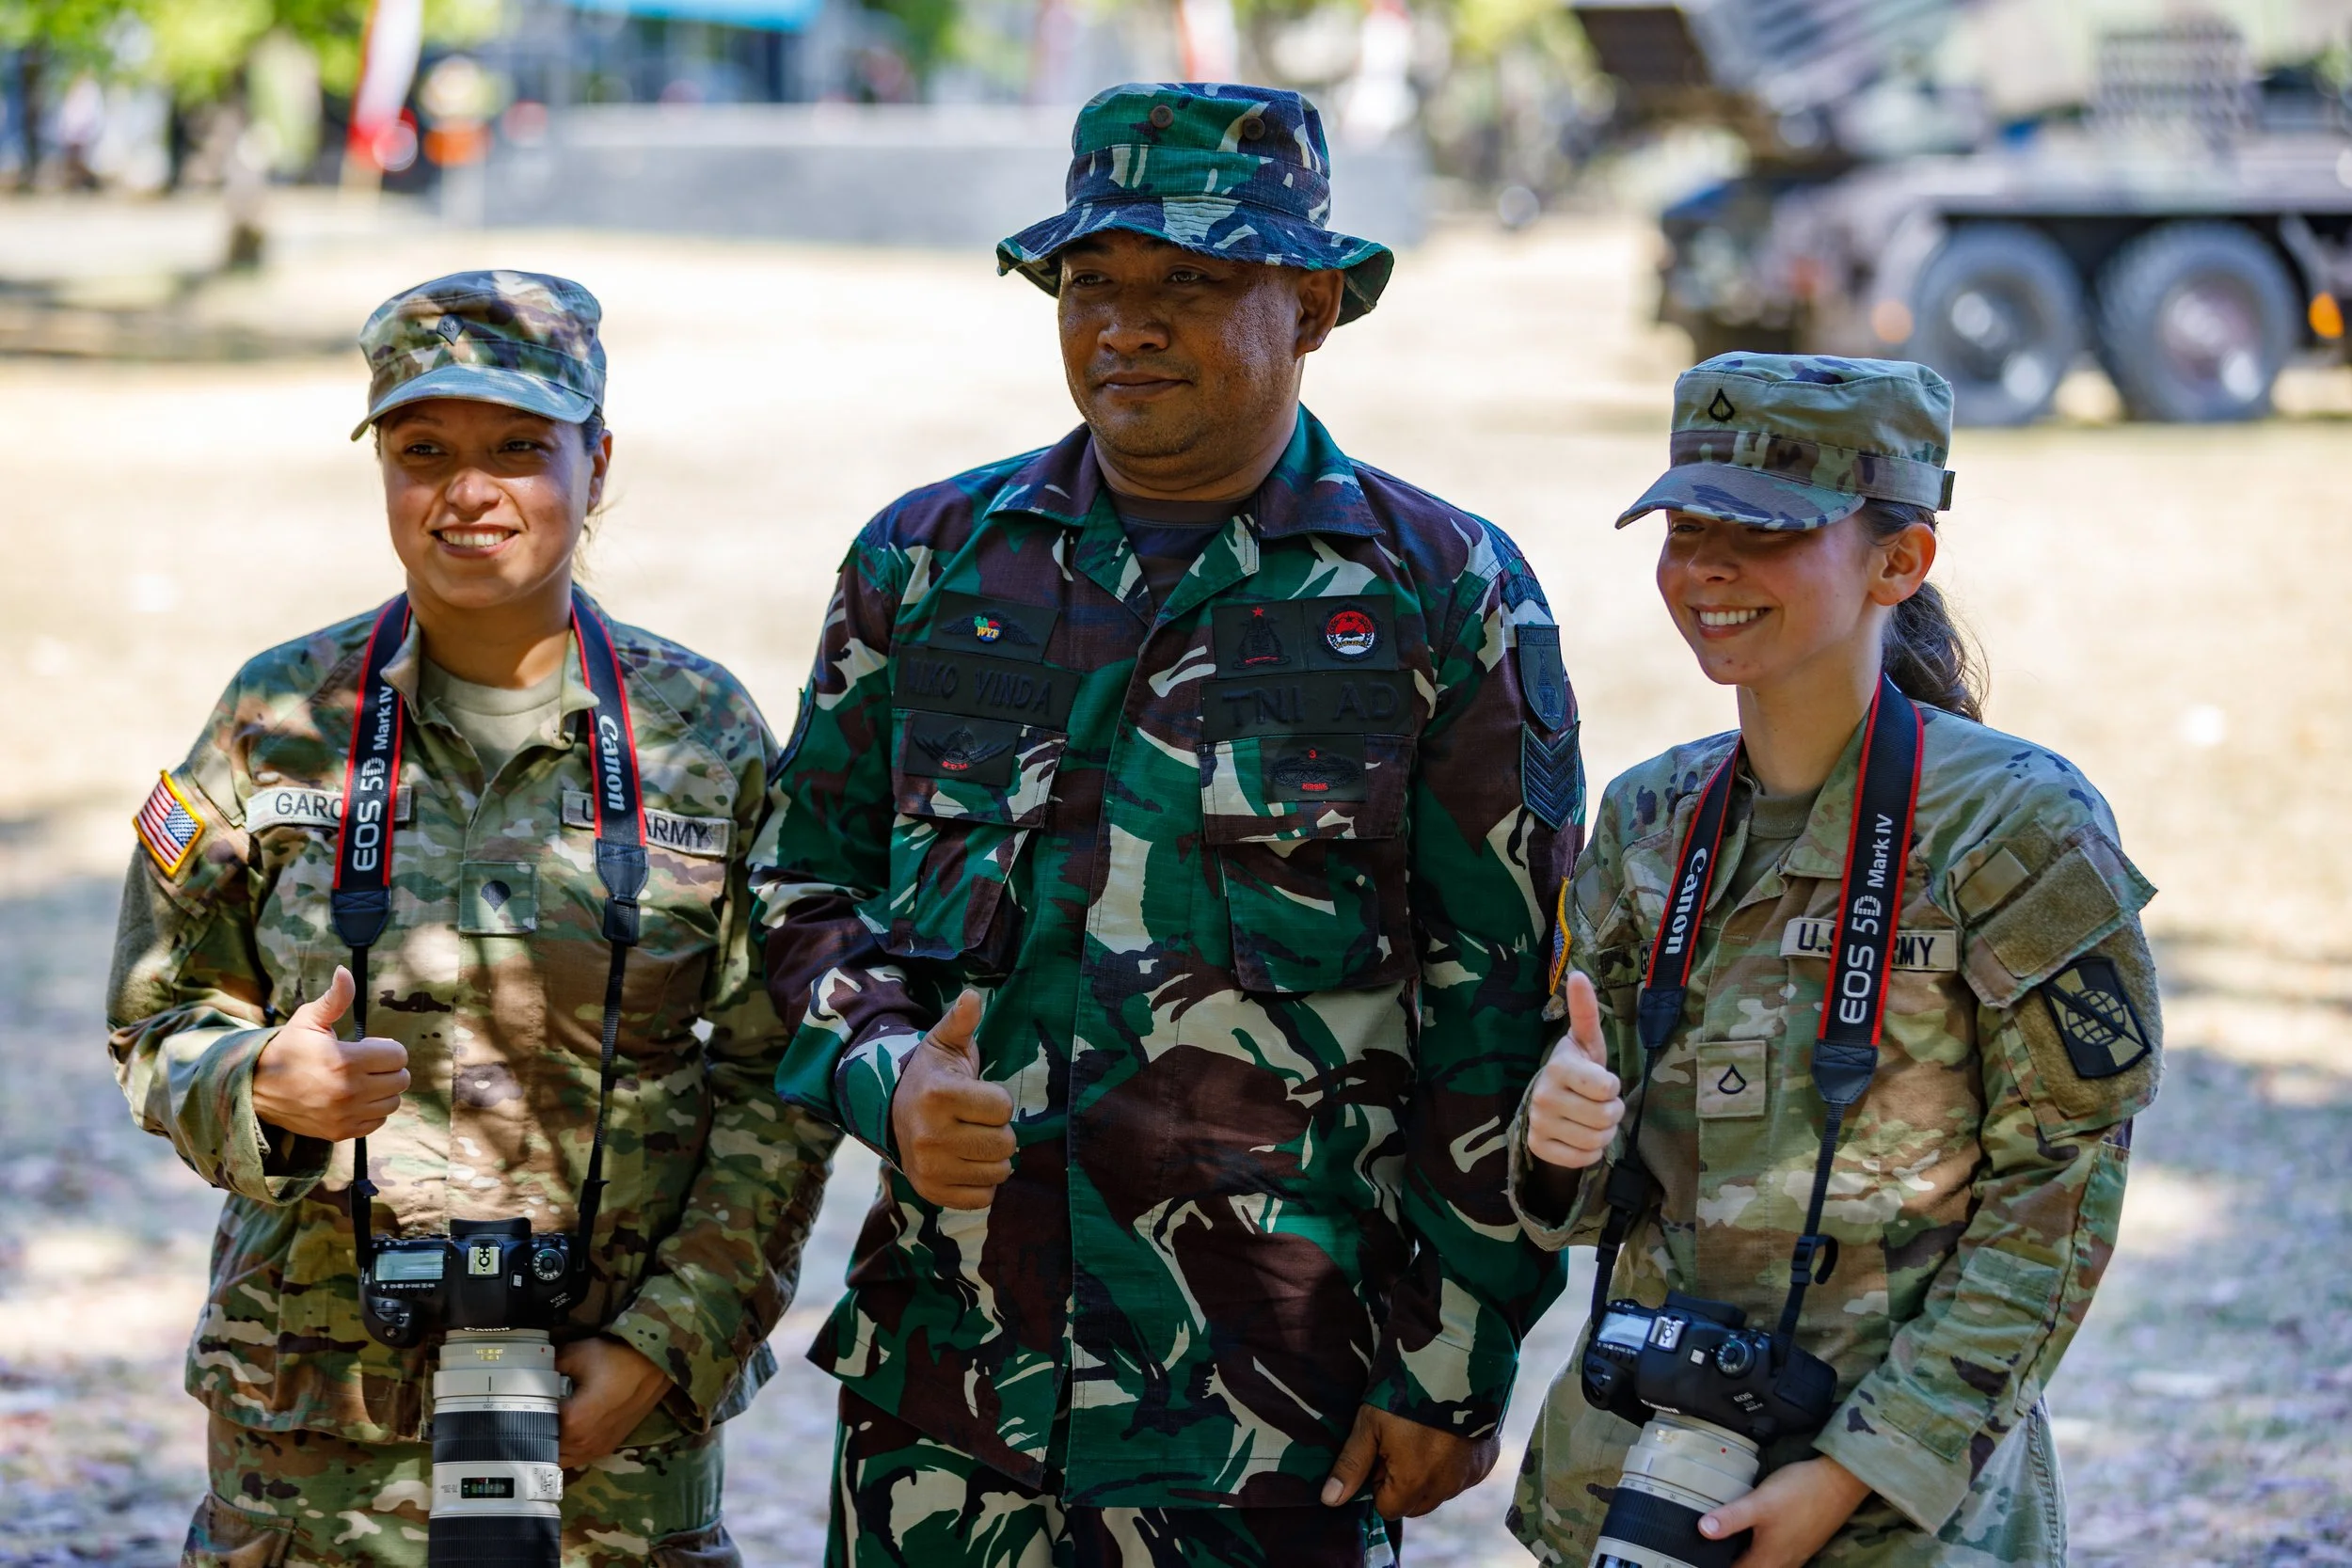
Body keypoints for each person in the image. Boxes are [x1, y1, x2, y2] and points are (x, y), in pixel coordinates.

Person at [752, 82, 1583, 1567]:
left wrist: (1452, 1362)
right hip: (953, 1396)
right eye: (1090, 283)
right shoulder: (930, 563)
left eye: (1189, 284)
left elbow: (1498, 1010)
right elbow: (799, 882)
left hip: (1270, 1406)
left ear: (1314, 305)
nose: (1123, 324)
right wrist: (883, 1072)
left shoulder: (1441, 597)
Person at [105, 271, 837, 1566]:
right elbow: (159, 1014)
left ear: (597, 463)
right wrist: (257, 1083)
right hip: (310, 1430)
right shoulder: (276, 716)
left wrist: (665, 1343)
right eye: (421, 450)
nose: (468, 490)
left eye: (519, 448)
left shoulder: (701, 736)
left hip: (605, 1423)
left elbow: (773, 1078)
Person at [1505, 355, 2159, 1567]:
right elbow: (1591, 1201)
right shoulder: (1652, 820)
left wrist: (1858, 1470)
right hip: (1646, 1477)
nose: (1707, 567)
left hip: (1900, 1498)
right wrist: (1555, 1141)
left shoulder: (2012, 825)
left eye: (1761, 532)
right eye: (1686, 526)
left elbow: (2059, 1195)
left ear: (1899, 562)